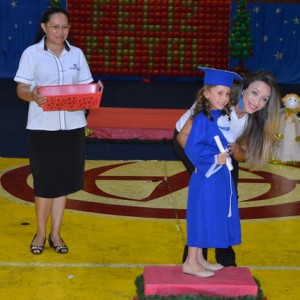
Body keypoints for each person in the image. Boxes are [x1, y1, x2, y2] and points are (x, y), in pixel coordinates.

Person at [174, 69, 281, 267]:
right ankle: (194, 259)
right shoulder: (219, 100)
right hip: (190, 142)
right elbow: (184, 137)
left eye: (264, 99)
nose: (257, 102)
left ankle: (224, 256)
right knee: (206, 197)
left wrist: (237, 148)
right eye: (254, 93)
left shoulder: (256, 119)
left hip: (224, 152)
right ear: (242, 90)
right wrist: (203, 165)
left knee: (229, 197)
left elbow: (241, 156)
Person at [14, 7, 93, 254]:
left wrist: (91, 95)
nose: (61, 31)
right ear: (44, 27)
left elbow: (85, 87)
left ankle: (55, 234)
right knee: (45, 182)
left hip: (73, 127)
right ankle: (39, 232)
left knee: (64, 182)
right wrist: (33, 95)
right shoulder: (32, 54)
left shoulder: (77, 54)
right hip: (42, 128)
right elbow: (21, 89)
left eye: (65, 27)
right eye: (56, 26)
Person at [182, 67, 242, 277]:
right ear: (206, 93)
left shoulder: (218, 116)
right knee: (201, 216)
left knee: (208, 216)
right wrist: (213, 159)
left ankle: (199, 259)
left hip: (218, 176)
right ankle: (190, 262)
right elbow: (191, 147)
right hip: (207, 177)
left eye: (227, 94)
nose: (224, 98)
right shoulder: (202, 118)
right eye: (219, 93)